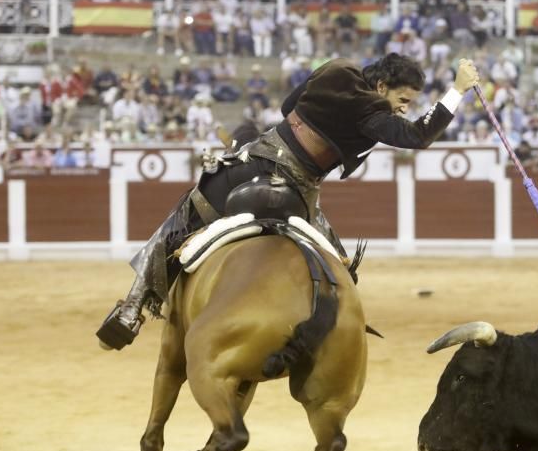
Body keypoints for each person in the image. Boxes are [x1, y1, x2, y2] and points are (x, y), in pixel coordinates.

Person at [96, 53, 480, 350]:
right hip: (300, 194)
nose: (403, 108)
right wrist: (457, 90)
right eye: (403, 99)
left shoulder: (334, 67)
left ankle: (133, 308)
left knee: (184, 219)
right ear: (381, 86)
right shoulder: (372, 108)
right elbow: (417, 136)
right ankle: (331, 334)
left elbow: (287, 107)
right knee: (343, 269)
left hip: (256, 162)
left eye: (409, 103)